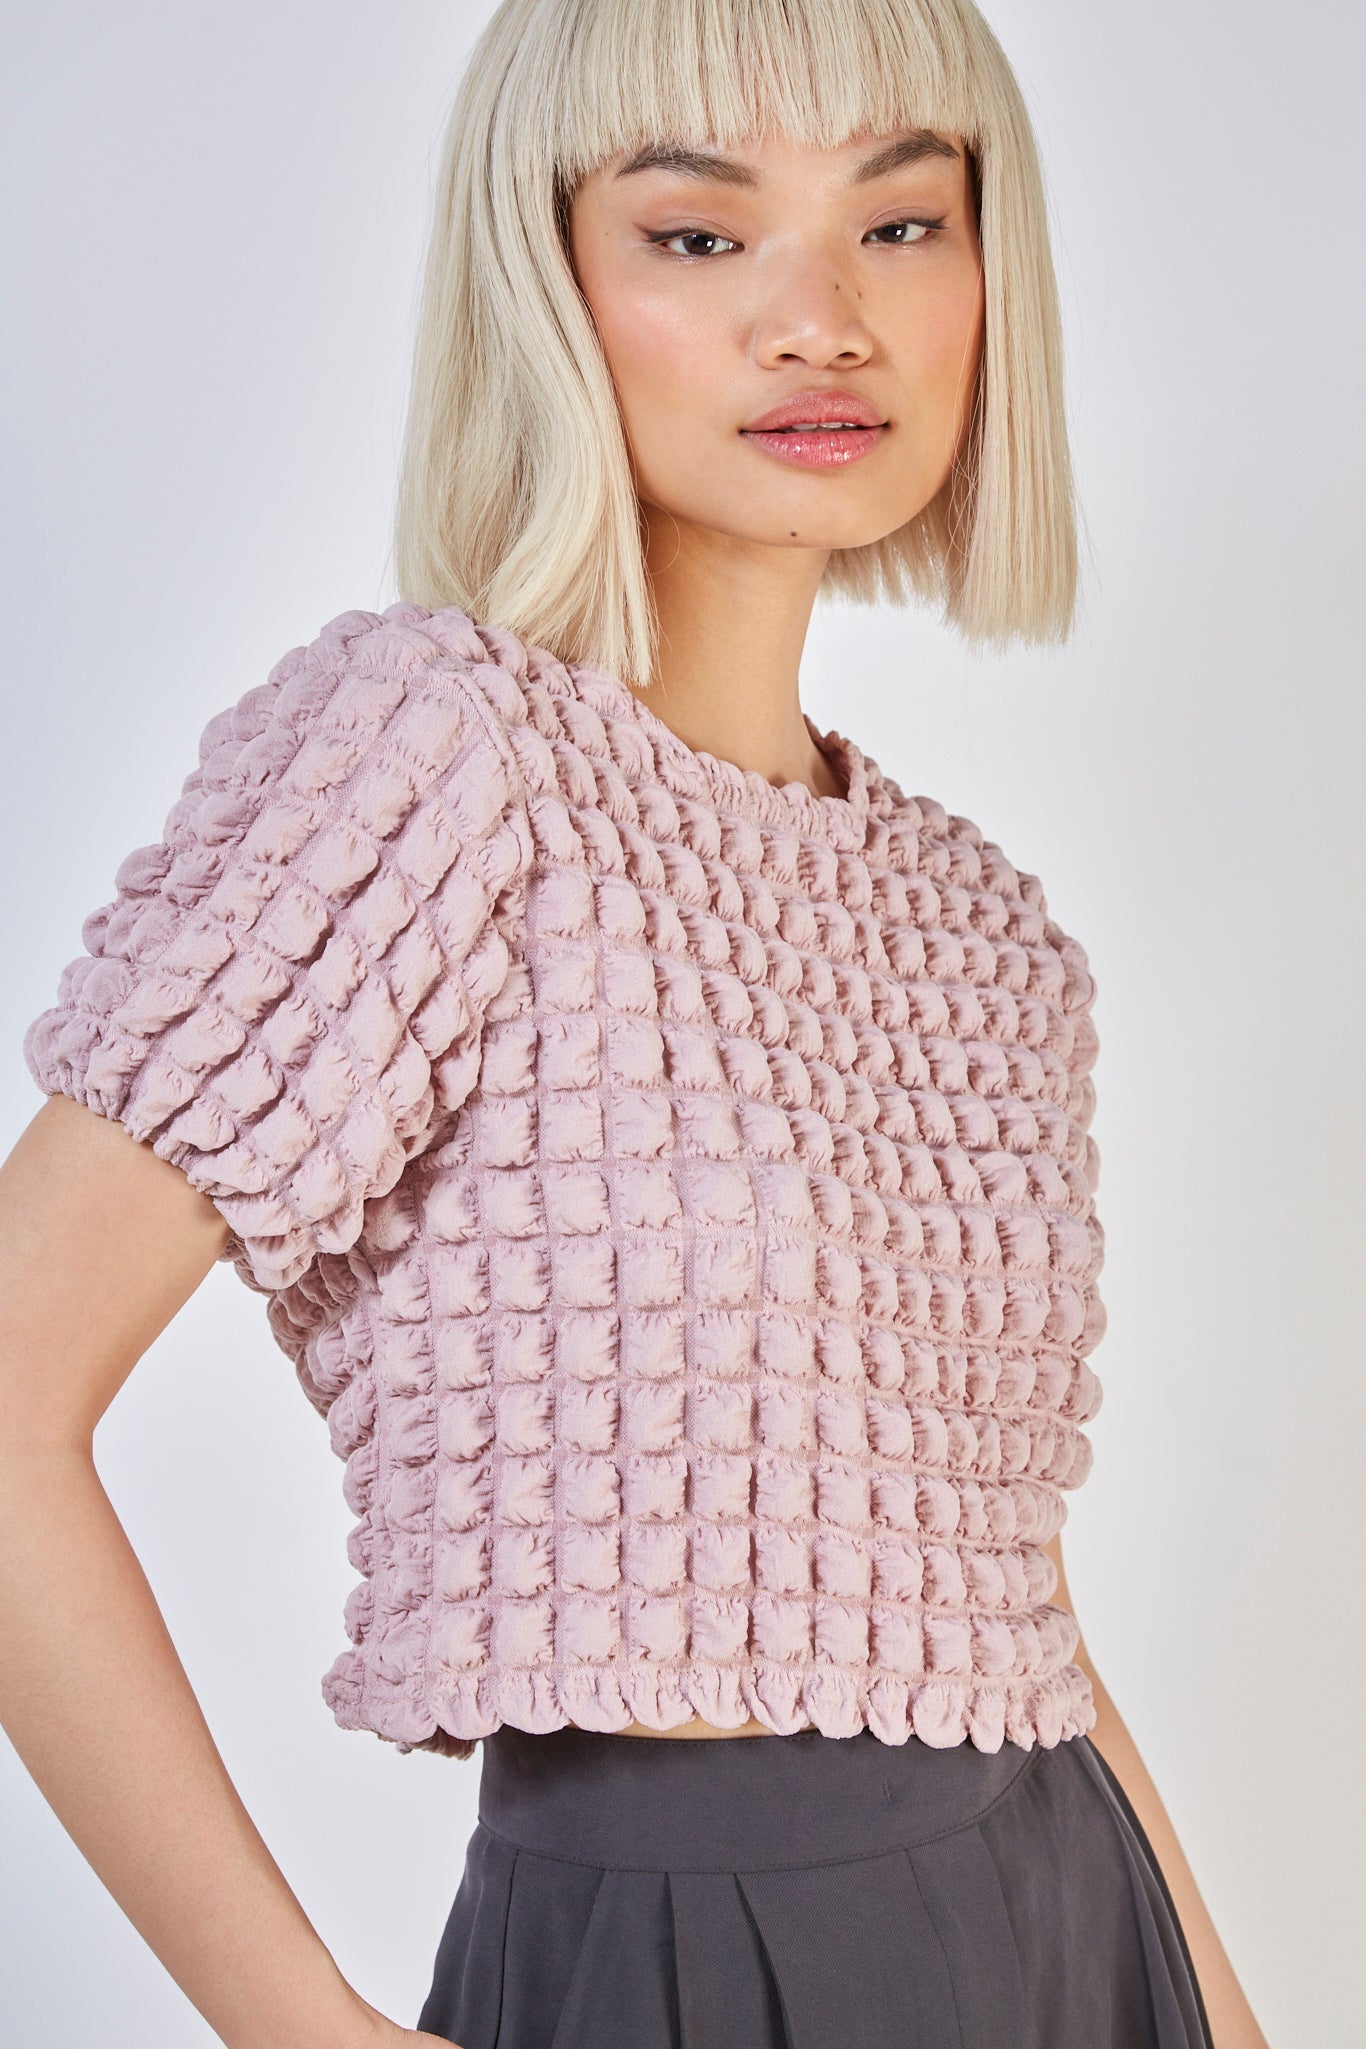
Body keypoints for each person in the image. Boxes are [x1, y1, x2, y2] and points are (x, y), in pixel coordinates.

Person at [0, 0, 1270, 2044]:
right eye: (697, 233)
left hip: (1068, 1922)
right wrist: (297, 2026)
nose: (820, 319)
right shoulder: (436, 756)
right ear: (544, 280)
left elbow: (995, 1604)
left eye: (899, 224)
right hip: (677, 1956)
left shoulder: (981, 928)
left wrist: (1219, 2011)